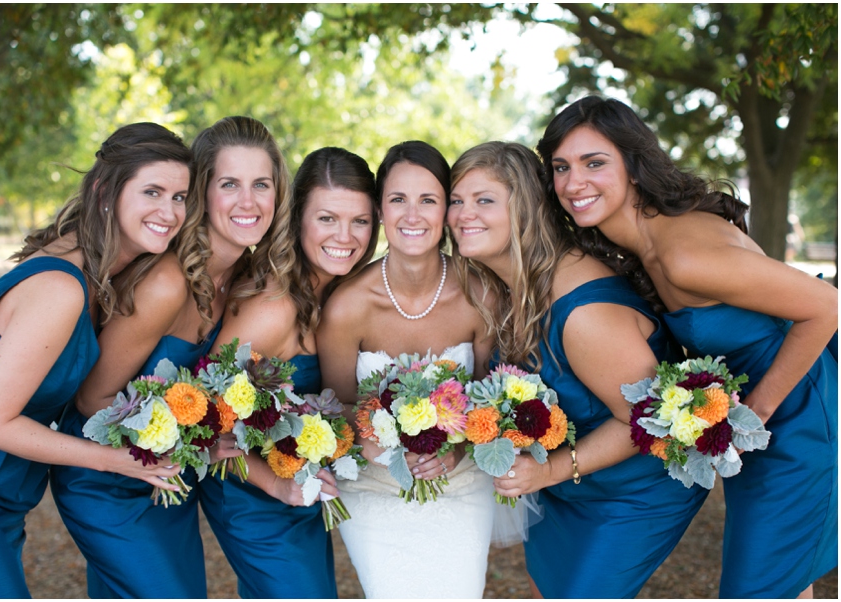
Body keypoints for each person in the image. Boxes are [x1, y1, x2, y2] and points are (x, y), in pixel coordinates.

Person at [535, 95, 838, 598]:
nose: (573, 182)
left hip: (801, 418)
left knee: (758, 587)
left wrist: (754, 414)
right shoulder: (644, 245)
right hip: (758, 423)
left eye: (594, 163)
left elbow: (826, 306)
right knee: (784, 581)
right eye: (561, 167)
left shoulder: (683, 254)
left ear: (633, 164)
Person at [447, 140, 710, 598]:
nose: (463, 214)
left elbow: (649, 419)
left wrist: (548, 472)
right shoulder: (506, 288)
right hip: (570, 486)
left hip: (635, 491)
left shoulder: (584, 313)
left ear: (525, 210)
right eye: (456, 200)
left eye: (484, 200)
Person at [0, 122, 192, 599]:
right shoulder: (61, 287)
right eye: (153, 191)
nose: (169, 211)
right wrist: (114, 460)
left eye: (179, 197)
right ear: (105, 190)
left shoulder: (97, 275)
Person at [47, 116, 283, 598]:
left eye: (262, 184)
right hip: (108, 478)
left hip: (168, 477)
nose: (249, 201)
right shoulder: (167, 282)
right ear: (202, 192)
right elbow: (94, 399)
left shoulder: (241, 279)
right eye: (229, 184)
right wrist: (189, 440)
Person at [197, 146, 379, 598]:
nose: (346, 235)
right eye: (327, 218)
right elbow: (205, 416)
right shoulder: (272, 306)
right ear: (296, 219)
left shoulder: (340, 292)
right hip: (252, 492)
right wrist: (277, 486)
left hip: (300, 483)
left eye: (360, 220)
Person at [317, 140, 496, 598]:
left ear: (447, 211)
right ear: (380, 210)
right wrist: (382, 447)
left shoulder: (482, 295)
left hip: (460, 481)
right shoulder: (347, 307)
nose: (412, 215)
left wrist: (454, 453)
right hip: (374, 488)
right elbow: (337, 408)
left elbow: (490, 403)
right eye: (398, 199)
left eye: (428, 200)